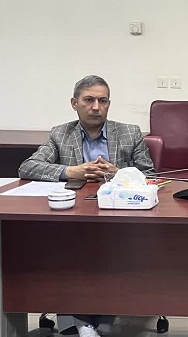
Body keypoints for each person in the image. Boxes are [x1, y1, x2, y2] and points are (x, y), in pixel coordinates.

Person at [18, 75, 154, 337]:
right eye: (89, 100)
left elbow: (150, 176)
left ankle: (89, 321)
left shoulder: (129, 133)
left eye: (103, 101)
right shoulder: (60, 133)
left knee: (107, 253)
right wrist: (71, 171)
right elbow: (27, 167)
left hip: (117, 220)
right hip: (72, 219)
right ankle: (81, 322)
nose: (96, 107)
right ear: (74, 103)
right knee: (67, 252)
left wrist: (119, 173)